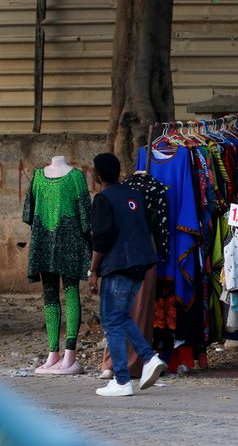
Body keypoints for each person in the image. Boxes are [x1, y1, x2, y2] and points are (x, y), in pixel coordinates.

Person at [87, 153, 167, 397]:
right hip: (140, 265)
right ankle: (146, 360)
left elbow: (101, 239)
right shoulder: (133, 195)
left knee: (112, 320)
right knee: (119, 317)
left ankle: (124, 378)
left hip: (118, 266)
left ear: (98, 176)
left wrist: (93, 271)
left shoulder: (103, 200)